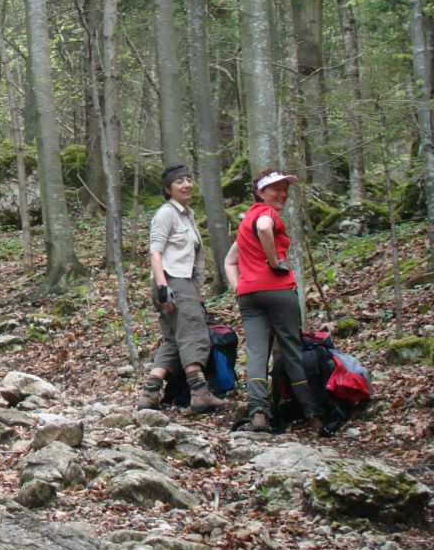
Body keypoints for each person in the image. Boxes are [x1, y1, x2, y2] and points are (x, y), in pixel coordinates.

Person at [224, 168, 324, 434]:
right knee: (292, 350)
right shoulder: (267, 214)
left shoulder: (246, 220)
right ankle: (313, 415)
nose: (282, 194)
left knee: (256, 353)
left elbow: (229, 260)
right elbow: (265, 228)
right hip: (278, 290)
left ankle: (258, 414)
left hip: (250, 296)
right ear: (260, 192)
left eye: (285, 189)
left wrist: (239, 288)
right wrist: (273, 261)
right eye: (275, 189)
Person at [136, 164, 226, 413]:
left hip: (181, 282)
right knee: (194, 334)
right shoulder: (167, 213)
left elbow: (191, 260)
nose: (186, 184)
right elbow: (155, 251)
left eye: (188, 179)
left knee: (174, 340)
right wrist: (164, 286)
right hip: (171, 280)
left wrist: (196, 295)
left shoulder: (187, 215)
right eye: (179, 182)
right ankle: (200, 393)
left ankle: (149, 394)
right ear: (168, 189)